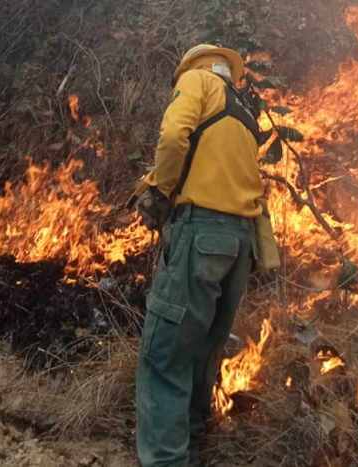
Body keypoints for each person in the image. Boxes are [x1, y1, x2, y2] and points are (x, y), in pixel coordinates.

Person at [131, 44, 265, 467]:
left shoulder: (197, 81)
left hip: (201, 236)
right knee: (203, 347)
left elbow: (173, 137)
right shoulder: (243, 113)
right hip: (240, 247)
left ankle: (166, 460)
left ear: (190, 66)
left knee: (164, 351)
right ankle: (191, 442)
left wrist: (159, 190)